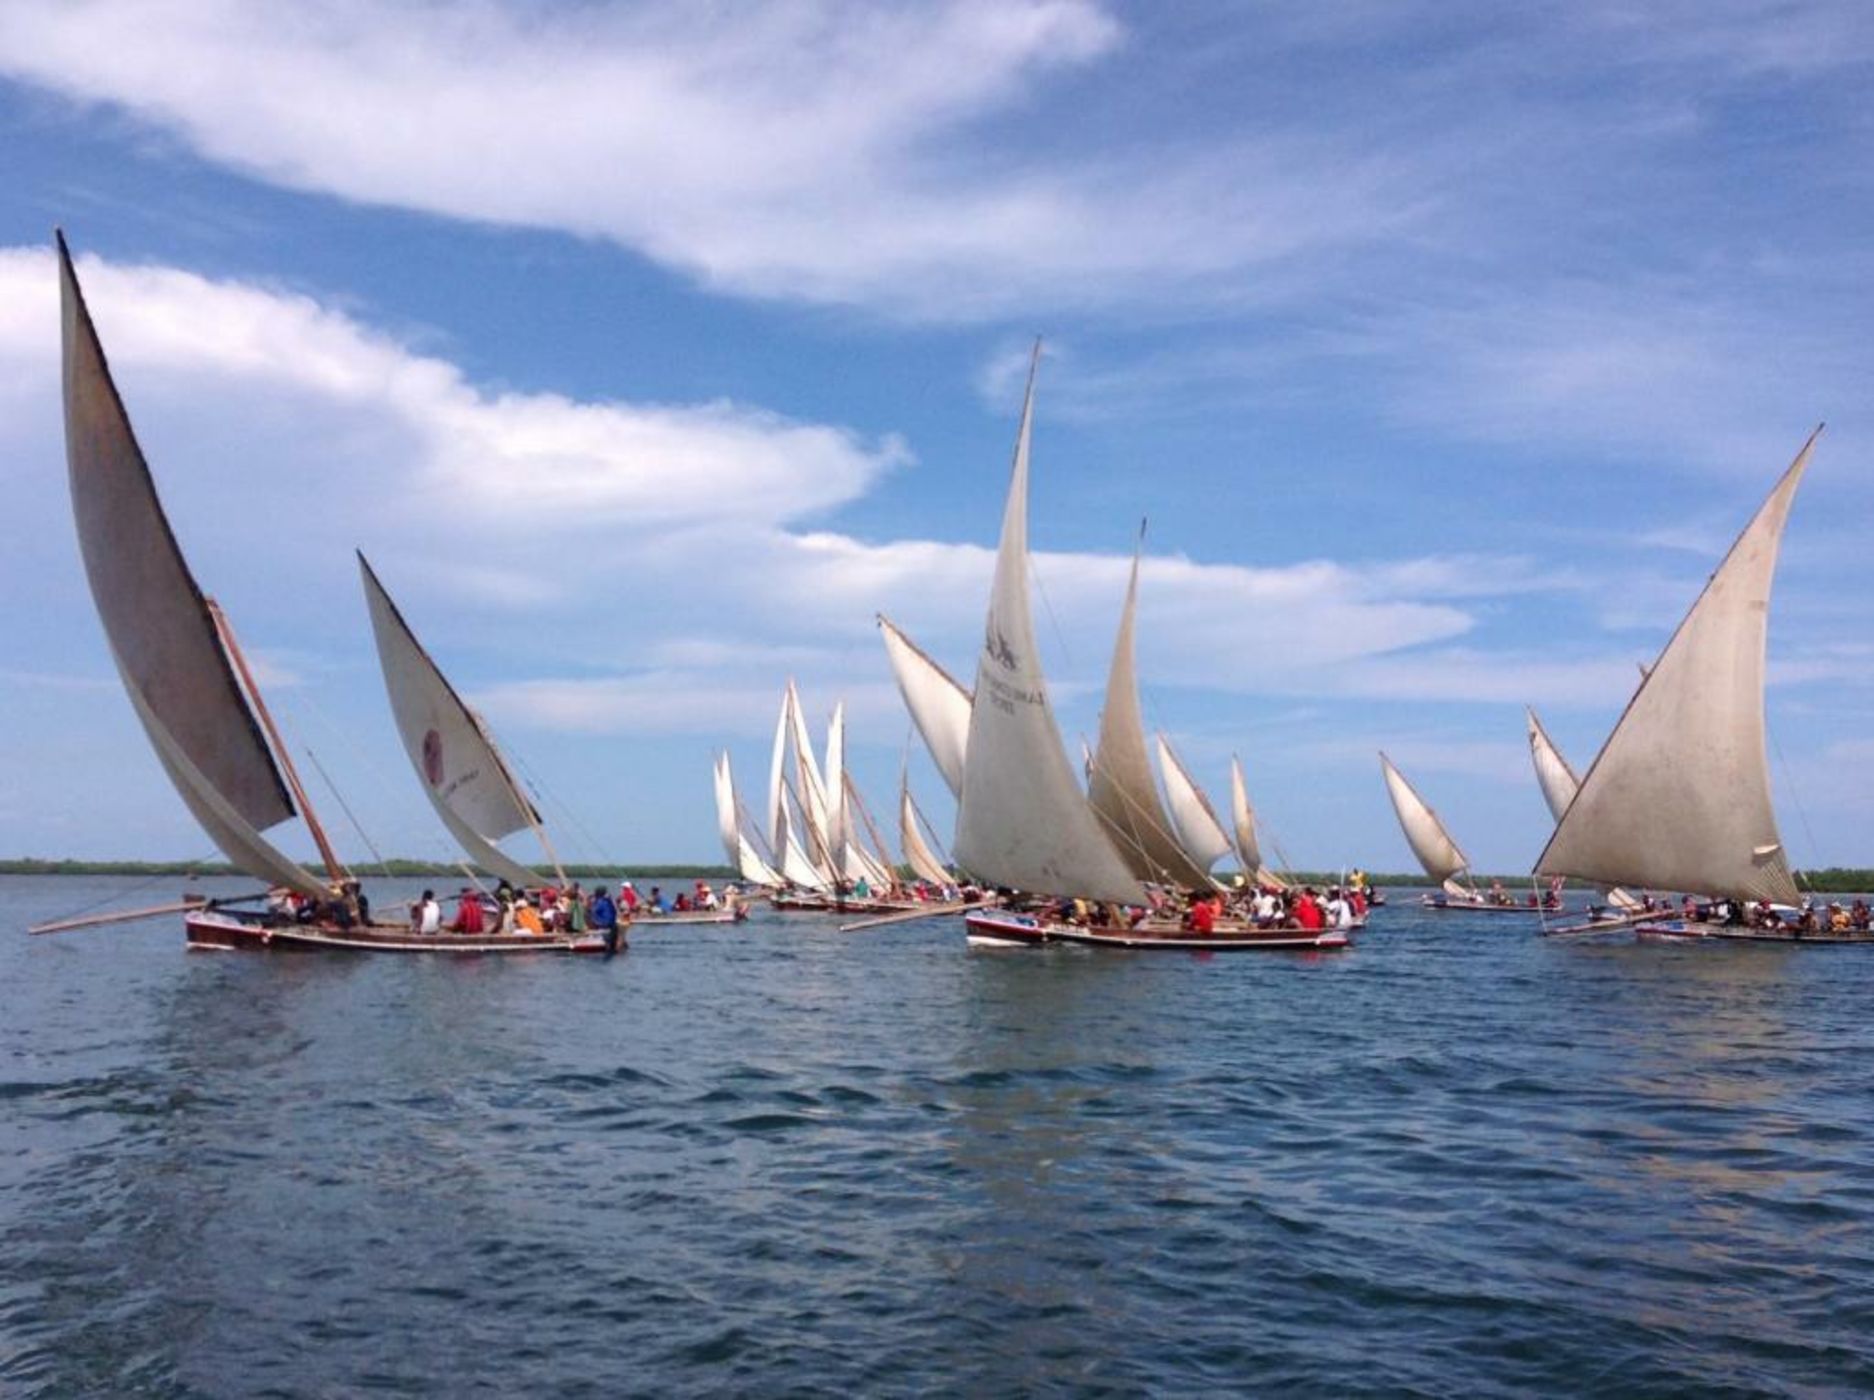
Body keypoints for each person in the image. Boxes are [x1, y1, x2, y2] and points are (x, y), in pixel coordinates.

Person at [589, 885, 620, 953]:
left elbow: (593, 911)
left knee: (589, 916)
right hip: (612, 924)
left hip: (603, 924)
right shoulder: (608, 901)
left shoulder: (600, 902)